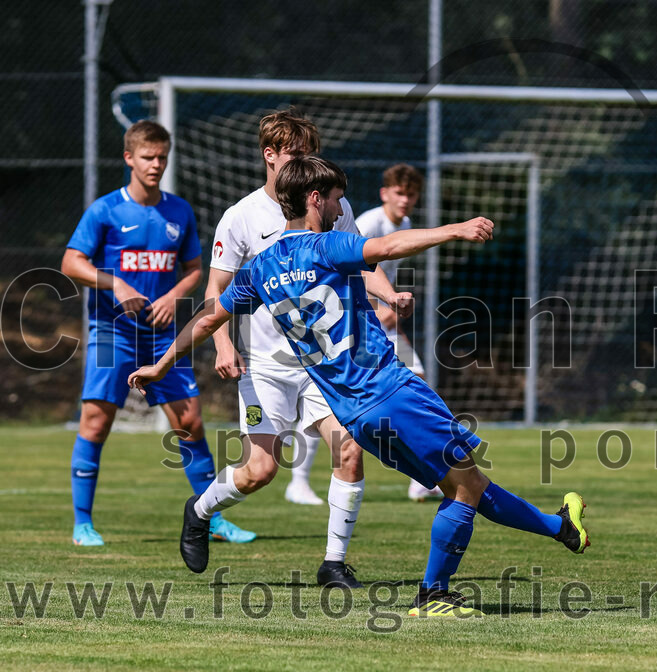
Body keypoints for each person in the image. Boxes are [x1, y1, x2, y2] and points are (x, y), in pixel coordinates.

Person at [128, 156, 590, 619]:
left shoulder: (262, 270)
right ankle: (433, 596)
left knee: (465, 482)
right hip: (393, 391)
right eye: (334, 198)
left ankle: (561, 528)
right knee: (465, 488)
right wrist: (455, 229)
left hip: (354, 413)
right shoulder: (326, 247)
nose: (339, 205)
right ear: (314, 199)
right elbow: (388, 247)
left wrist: (161, 364)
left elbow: (209, 319)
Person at [205, 109, 406, 588]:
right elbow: (216, 291)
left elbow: (361, 257)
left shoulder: (332, 205)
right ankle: (201, 510)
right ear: (269, 155)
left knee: (350, 448)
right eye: (296, 154)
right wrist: (222, 343)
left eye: (309, 154)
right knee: (260, 470)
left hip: (324, 363)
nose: (304, 162)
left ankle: (333, 563)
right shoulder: (240, 217)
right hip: (266, 365)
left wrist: (388, 294)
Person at [61, 120, 254, 546]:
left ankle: (212, 518)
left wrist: (173, 297)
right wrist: (116, 283)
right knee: (95, 422)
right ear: (129, 158)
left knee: (189, 423)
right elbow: (71, 262)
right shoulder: (106, 210)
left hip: (163, 335)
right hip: (112, 333)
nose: (156, 164)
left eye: (162, 157)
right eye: (148, 157)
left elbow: (195, 271)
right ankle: (82, 524)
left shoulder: (178, 211)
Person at [356, 163, 442, 501]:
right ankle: (300, 480)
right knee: (332, 407)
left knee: (418, 383)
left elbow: (385, 278)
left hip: (381, 323)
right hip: (356, 322)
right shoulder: (368, 223)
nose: (405, 200)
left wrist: (391, 310)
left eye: (411, 194)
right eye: (399, 193)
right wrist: (376, 312)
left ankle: (422, 476)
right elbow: (349, 271)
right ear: (385, 194)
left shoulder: (403, 224)